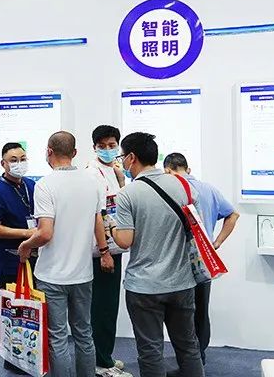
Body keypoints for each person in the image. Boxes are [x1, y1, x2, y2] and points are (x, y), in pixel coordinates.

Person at [111, 133, 204, 377]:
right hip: (182, 282)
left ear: (132, 157)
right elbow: (195, 227)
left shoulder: (128, 194)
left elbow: (125, 241)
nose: (122, 161)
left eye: (122, 156)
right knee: (188, 346)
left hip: (144, 286)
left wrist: (111, 227)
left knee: (150, 351)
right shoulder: (184, 186)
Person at [18, 131, 108, 377]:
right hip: (83, 273)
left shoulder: (45, 185)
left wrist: (25, 246)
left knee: (57, 337)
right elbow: (98, 221)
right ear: (75, 152)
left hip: (52, 275)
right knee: (84, 334)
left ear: (49, 151)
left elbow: (45, 233)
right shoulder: (93, 182)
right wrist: (104, 251)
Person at [163, 153, 239, 366]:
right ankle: (199, 357)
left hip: (176, 261)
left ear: (167, 171)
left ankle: (186, 359)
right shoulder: (209, 189)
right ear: (188, 169)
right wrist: (216, 242)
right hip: (203, 260)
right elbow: (233, 214)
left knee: (177, 312)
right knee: (201, 310)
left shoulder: (169, 190)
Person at [0, 142, 37, 375]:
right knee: (13, 311)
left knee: (33, 310)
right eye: (13, 160)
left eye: (22, 159)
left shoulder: (31, 185)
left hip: (36, 258)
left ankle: (32, 357)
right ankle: (13, 361)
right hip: (10, 260)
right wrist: (27, 233)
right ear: (3, 163)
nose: (19, 164)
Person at [87, 126, 131, 377]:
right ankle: (100, 363)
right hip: (101, 251)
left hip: (115, 247)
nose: (107, 149)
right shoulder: (92, 173)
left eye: (112, 145)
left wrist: (122, 179)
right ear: (94, 147)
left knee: (109, 305)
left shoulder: (115, 170)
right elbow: (98, 215)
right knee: (102, 307)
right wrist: (104, 251)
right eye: (102, 146)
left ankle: (105, 356)